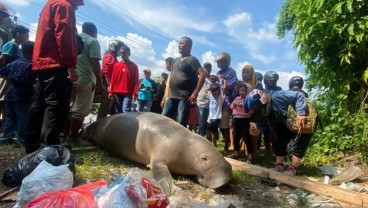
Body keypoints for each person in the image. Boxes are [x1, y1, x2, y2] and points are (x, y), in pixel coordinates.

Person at [25, 0, 83, 154]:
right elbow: (64, 34)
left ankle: (32, 146)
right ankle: (48, 150)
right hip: (56, 63)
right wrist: (71, 63)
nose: (78, 7)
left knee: (39, 105)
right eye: (78, 3)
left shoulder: (49, 4)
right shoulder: (64, 5)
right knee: (56, 106)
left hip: (43, 63)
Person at [66, 22, 102, 143]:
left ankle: (64, 134)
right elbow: (95, 63)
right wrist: (99, 82)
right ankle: (73, 138)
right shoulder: (93, 41)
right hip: (86, 79)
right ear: (94, 31)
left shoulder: (74, 38)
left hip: (70, 77)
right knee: (80, 111)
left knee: (67, 107)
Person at [162, 37, 205, 127]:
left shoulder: (192, 60)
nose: (179, 45)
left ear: (189, 46)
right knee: (163, 120)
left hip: (184, 97)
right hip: (172, 96)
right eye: (179, 43)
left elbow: (202, 75)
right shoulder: (175, 60)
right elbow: (173, 76)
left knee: (181, 123)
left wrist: (195, 92)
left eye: (182, 43)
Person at [0, 41, 34, 144]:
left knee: (10, 117)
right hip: (23, 95)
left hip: (10, 94)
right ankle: (22, 139)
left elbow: (2, 71)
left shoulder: (14, 63)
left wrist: (10, 78)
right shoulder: (31, 65)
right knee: (23, 118)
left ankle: (6, 137)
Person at [270, 90, 311, 176]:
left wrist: (301, 114)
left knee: (300, 143)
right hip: (288, 122)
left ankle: (293, 168)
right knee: (281, 140)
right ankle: (279, 165)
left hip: (304, 121)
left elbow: (299, 95)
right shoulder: (265, 111)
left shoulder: (277, 95)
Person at [0, 25, 29, 133]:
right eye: (26, 35)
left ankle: (4, 132)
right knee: (2, 102)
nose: (27, 38)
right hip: (5, 78)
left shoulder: (18, 48)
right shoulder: (12, 44)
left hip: (10, 79)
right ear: (18, 34)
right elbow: (2, 59)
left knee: (6, 106)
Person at [96, 39, 124, 120]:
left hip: (111, 84)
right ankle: (99, 126)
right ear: (113, 47)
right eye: (119, 48)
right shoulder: (109, 57)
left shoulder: (113, 57)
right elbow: (106, 72)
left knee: (111, 107)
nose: (120, 50)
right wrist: (109, 85)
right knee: (105, 107)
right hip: (107, 84)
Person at [215, 52, 237, 152]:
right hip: (217, 101)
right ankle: (223, 142)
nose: (218, 65)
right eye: (218, 63)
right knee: (218, 124)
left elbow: (232, 85)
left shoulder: (231, 72)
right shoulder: (218, 73)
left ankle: (227, 144)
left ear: (226, 62)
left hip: (226, 101)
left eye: (220, 62)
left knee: (225, 125)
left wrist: (224, 83)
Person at [109, 45, 139, 113]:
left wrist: (135, 94)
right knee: (118, 112)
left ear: (129, 54)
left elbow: (136, 81)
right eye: (121, 53)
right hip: (117, 92)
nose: (122, 55)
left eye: (124, 53)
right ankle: (119, 124)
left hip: (128, 93)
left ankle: (127, 123)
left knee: (125, 110)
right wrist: (111, 91)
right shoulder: (116, 65)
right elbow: (113, 79)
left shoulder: (134, 66)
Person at [230, 84, 253, 163]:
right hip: (236, 119)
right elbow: (231, 107)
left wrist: (248, 112)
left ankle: (250, 155)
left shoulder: (248, 99)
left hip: (244, 120)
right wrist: (234, 104)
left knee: (246, 137)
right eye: (240, 91)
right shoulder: (237, 98)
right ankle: (236, 153)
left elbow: (251, 109)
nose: (241, 92)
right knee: (236, 136)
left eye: (243, 91)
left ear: (246, 92)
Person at [206, 83, 225, 147]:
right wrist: (210, 89)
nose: (214, 93)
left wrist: (224, 81)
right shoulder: (210, 95)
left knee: (212, 132)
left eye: (215, 92)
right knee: (209, 131)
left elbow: (224, 88)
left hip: (217, 117)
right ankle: (210, 144)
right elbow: (206, 90)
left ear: (219, 91)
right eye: (212, 92)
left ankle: (213, 145)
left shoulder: (221, 97)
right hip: (210, 116)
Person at [196, 62, 212, 136]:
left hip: (210, 105)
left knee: (207, 125)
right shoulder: (199, 78)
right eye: (206, 68)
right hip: (201, 104)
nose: (208, 69)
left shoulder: (211, 80)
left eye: (209, 68)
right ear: (202, 69)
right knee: (201, 124)